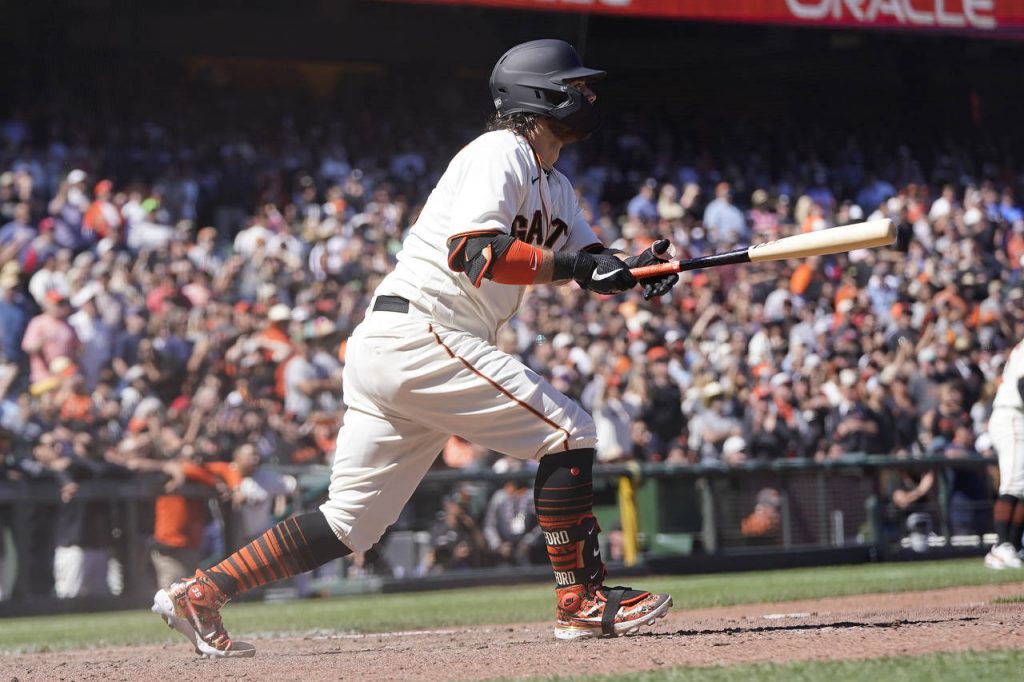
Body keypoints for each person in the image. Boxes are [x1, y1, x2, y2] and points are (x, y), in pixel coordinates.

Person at [152, 39, 676, 658]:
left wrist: (634, 270)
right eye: (577, 87)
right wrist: (583, 269)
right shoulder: (499, 152)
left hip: (403, 345)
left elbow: (590, 262)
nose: (588, 96)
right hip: (423, 331)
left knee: (351, 523)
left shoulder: (556, 185)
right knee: (569, 431)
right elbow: (475, 251)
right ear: (542, 95)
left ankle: (203, 592)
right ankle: (581, 600)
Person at [984, 338, 1024, 569]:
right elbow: (1022, 384)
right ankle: (1000, 546)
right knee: (1013, 484)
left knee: (1022, 487)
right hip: (1012, 416)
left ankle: (1014, 545)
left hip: (1018, 416)